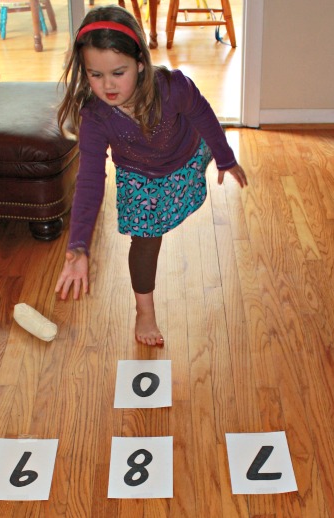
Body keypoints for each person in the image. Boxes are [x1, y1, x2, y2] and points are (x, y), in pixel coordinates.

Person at [55, 5, 247, 346]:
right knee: (145, 239)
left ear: (140, 63)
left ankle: (198, 171)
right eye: (95, 75)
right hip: (139, 175)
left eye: (118, 72)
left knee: (196, 156)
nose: (107, 85)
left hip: (186, 155)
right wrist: (79, 245)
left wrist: (224, 156)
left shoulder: (172, 87)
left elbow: (203, 113)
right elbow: (89, 180)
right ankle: (144, 311)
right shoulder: (96, 118)